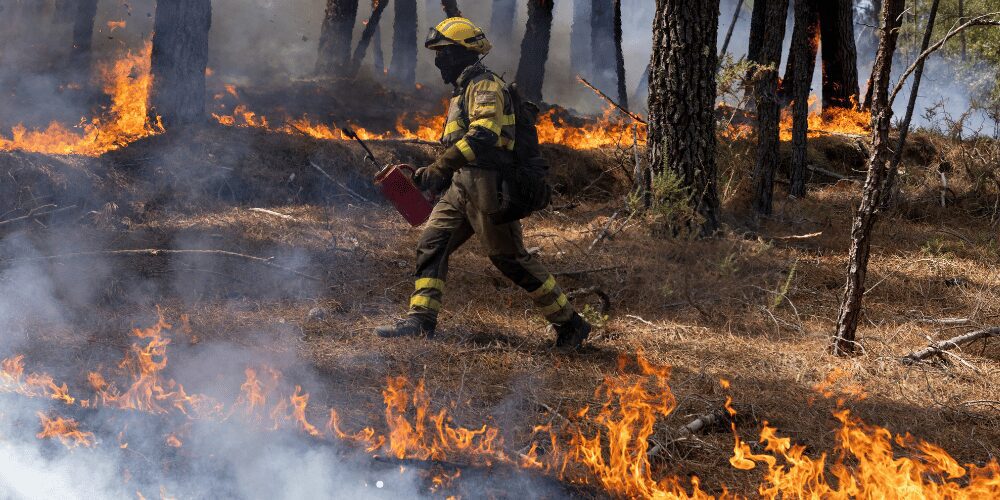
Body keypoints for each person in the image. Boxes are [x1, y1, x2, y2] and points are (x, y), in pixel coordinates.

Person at [375, 17, 591, 349]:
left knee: (510, 259)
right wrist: (437, 173)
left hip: (489, 186)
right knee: (432, 243)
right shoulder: (464, 91)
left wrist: (441, 167)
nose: (439, 61)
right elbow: (461, 144)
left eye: (444, 53)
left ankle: (570, 324)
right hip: (461, 186)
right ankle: (421, 320)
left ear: (463, 53)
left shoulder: (485, 86)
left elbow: (484, 135)